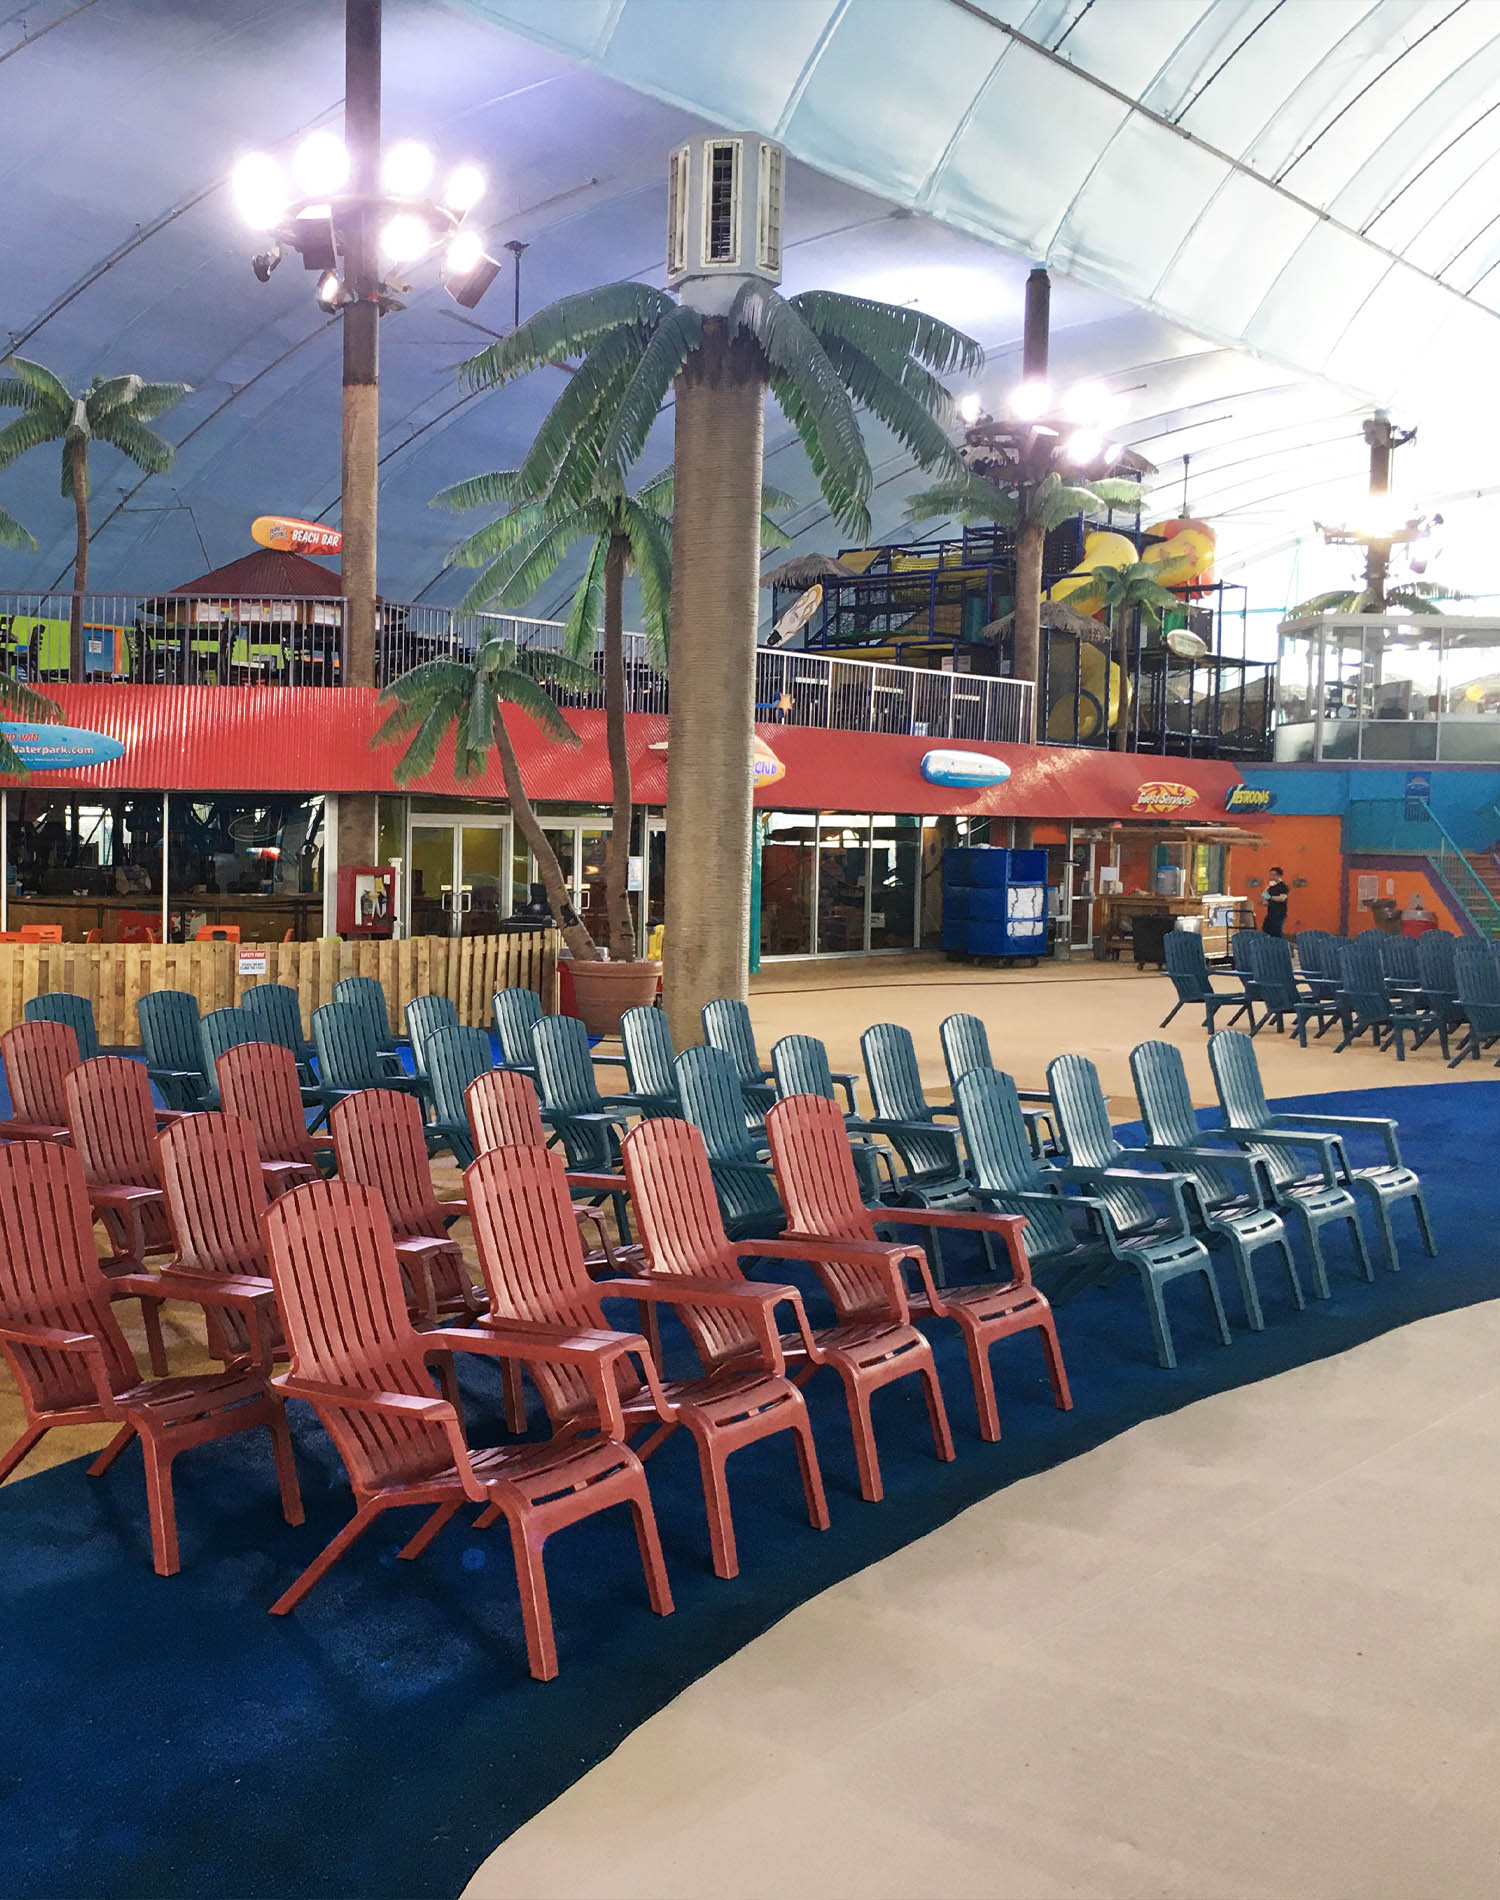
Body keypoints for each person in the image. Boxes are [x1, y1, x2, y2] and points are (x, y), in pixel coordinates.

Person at [1261, 864, 1289, 937]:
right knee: (1265, 930)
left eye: (1273, 875)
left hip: (1279, 914)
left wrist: (1270, 897)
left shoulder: (1283, 886)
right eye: (1270, 875)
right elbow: (1265, 903)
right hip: (1270, 914)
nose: (1271, 877)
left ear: (1279, 876)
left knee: (1276, 933)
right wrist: (1264, 897)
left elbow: (1282, 898)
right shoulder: (1271, 888)